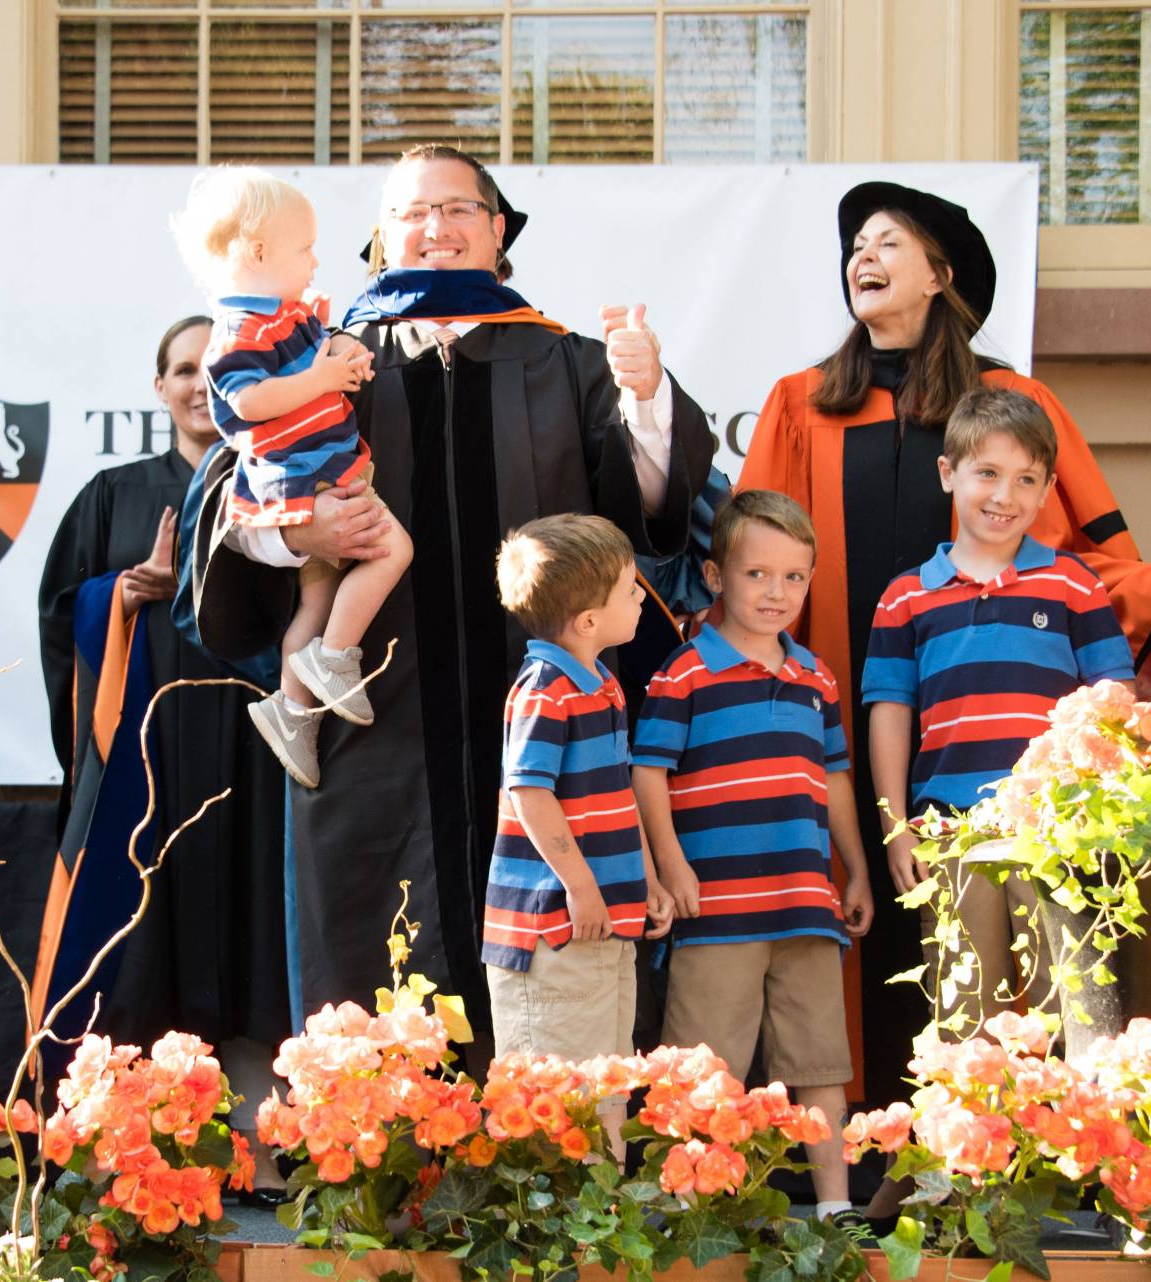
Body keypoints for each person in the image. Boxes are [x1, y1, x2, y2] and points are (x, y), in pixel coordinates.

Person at [187, 144, 713, 1027]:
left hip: (547, 717)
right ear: (381, 236)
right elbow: (224, 499)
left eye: (458, 208)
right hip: (374, 715)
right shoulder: (322, 356)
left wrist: (648, 397)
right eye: (410, 213)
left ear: (497, 229)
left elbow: (655, 510)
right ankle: (386, 1118)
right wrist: (297, 534)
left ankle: (548, 1120)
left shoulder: (568, 362)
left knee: (557, 1007)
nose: (435, 226)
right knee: (382, 978)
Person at [736, 181, 1151, 1107]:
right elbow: (754, 562)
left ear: (939, 275)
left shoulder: (1014, 401)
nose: (863, 257)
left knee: (995, 966)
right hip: (849, 718)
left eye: (887, 243)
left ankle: (999, 1132)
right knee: (856, 892)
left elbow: (1096, 559)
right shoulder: (801, 402)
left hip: (995, 753)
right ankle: (857, 1132)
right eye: (856, 245)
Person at [35, 314, 289, 1192]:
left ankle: (263, 1143)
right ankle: (127, 1147)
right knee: (143, 934)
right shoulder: (113, 495)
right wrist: (122, 595)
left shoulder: (280, 488)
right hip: (148, 758)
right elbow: (60, 612)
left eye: (217, 370)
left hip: (254, 757)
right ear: (160, 388)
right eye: (184, 370)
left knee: (258, 930)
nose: (198, 386)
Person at [632, 490, 873, 1221]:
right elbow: (648, 773)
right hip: (717, 912)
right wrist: (670, 864)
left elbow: (835, 778)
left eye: (794, 577)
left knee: (820, 1061)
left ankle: (834, 1208)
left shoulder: (816, 677)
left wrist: (856, 869)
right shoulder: (683, 674)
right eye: (756, 574)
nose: (776, 593)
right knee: (702, 1068)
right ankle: (686, 1210)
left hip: (804, 906)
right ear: (715, 576)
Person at [862, 389, 1135, 1027]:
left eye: (1025, 480)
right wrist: (897, 827)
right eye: (987, 473)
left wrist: (1105, 815)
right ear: (948, 473)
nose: (1004, 495)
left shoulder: (1073, 584)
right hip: (950, 832)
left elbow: (1113, 706)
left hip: (1059, 828)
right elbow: (890, 714)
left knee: (1069, 1007)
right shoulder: (904, 598)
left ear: (1047, 492)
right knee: (964, 1012)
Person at [169, 167, 413, 789]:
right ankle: (333, 657)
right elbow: (248, 402)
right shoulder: (237, 331)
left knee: (317, 600)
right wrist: (321, 378)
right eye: (304, 248)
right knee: (394, 549)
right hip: (308, 479)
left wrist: (340, 353)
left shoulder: (287, 317)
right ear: (257, 252)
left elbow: (315, 356)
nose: (314, 261)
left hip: (316, 472)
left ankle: (292, 713)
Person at [487, 515, 674, 1155]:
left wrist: (646, 880)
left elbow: (617, 796)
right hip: (554, 932)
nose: (641, 597)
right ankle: (566, 1212)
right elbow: (529, 793)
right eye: (629, 589)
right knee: (556, 1099)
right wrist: (582, 888)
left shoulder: (603, 686)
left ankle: (603, 1206)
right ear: (588, 621)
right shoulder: (545, 690)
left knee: (606, 1088)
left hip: (606, 925)